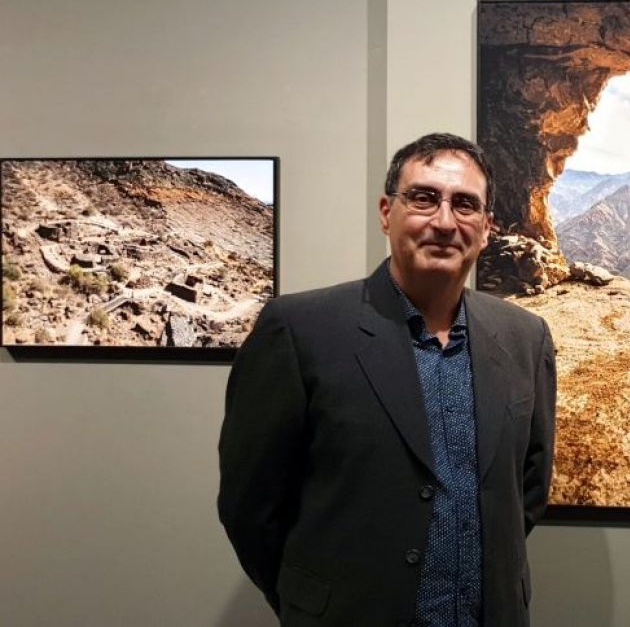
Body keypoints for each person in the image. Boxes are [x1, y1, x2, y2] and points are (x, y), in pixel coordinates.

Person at [218, 132, 556, 627]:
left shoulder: (525, 337)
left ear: (486, 228)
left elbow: (527, 489)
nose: (444, 221)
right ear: (386, 212)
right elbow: (251, 506)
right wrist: (314, 599)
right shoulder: (300, 329)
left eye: (465, 205)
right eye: (423, 198)